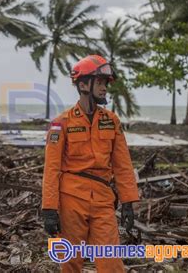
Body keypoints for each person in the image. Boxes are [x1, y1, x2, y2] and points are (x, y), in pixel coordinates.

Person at [41, 55, 139, 272]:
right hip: (71, 201)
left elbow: (123, 165)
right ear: (83, 84)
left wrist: (128, 202)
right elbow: (51, 169)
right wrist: (49, 209)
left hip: (103, 201)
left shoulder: (112, 121)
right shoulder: (61, 123)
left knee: (111, 263)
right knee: (71, 263)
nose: (104, 88)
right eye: (100, 82)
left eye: (105, 83)